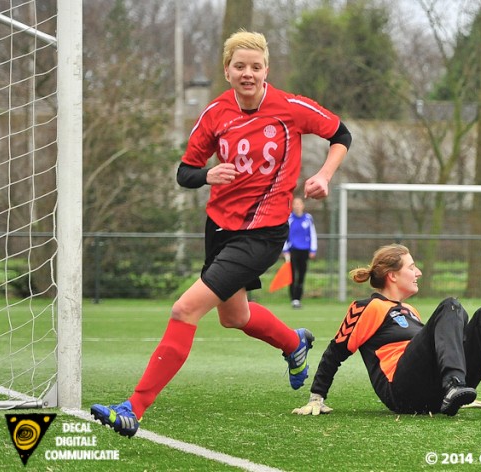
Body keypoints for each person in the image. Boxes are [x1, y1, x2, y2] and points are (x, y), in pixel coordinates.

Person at [91, 30, 352, 437]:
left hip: (262, 233)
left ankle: (133, 407)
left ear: (267, 70)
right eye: (239, 66)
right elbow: (184, 172)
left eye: (256, 66)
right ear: (226, 71)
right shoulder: (215, 113)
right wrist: (208, 174)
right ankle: (293, 344)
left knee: (184, 309)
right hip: (219, 228)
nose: (248, 73)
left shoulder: (290, 108)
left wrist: (323, 175)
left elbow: (341, 134)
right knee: (235, 316)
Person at [293, 244, 481, 417]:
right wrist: (316, 397)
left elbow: (440, 347)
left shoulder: (412, 312)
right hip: (402, 393)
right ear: (393, 275)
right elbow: (334, 353)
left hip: (433, 393)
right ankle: (453, 384)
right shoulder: (368, 307)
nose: (418, 272)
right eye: (412, 267)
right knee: (451, 306)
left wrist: (462, 393)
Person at [283, 197, 317, 309]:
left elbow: (312, 234)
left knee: (302, 275)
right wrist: (285, 250)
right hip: (292, 251)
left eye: (299, 204)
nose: (297, 206)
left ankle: (298, 298)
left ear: (303, 205)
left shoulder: (308, 218)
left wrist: (313, 249)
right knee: (292, 275)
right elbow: (284, 235)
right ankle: (293, 299)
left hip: (304, 251)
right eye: (295, 204)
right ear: (292, 206)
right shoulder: (289, 218)